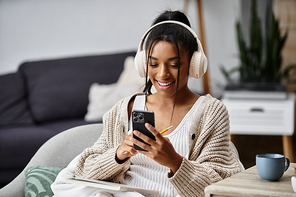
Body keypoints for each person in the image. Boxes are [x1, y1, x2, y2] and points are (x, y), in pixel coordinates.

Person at [51, 10, 243, 197]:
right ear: (143, 64)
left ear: (194, 63)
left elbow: (218, 186)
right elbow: (85, 170)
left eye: (174, 64)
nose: (162, 74)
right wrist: (118, 154)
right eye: (153, 64)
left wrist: (175, 161)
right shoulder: (125, 109)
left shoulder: (211, 112)